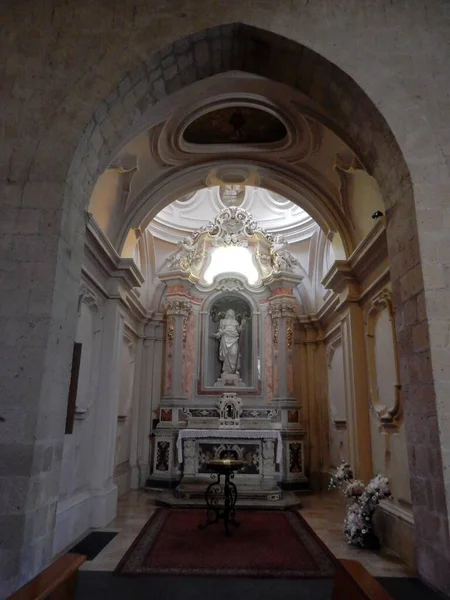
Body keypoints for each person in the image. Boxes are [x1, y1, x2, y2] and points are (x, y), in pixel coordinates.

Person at [214, 309, 246, 375]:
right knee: (226, 354)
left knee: (234, 353)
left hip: (234, 339)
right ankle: (227, 370)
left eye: (232, 312)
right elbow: (220, 330)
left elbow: (239, 330)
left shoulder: (235, 322)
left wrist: (242, 325)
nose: (230, 313)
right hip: (225, 339)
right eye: (229, 312)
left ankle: (234, 369)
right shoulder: (222, 321)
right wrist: (218, 334)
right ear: (227, 313)